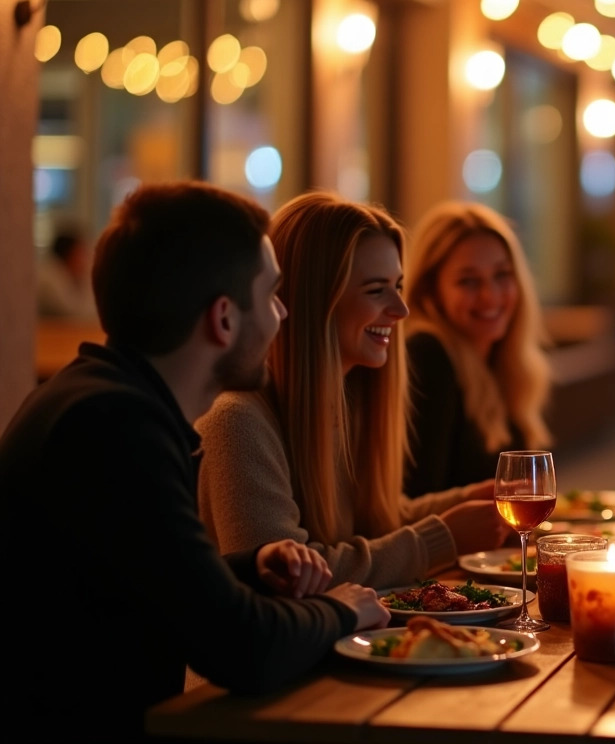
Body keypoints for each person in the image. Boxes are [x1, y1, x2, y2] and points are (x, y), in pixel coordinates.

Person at [0, 182, 389, 743]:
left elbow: (145, 587)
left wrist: (252, 568)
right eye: (273, 295)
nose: (283, 315)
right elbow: (243, 648)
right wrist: (344, 610)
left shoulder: (104, 398)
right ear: (224, 319)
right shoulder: (115, 428)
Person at [198, 193, 508, 590]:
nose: (401, 309)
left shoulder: (343, 400)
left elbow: (374, 519)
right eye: (377, 290)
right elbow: (291, 579)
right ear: (315, 300)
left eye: (398, 286)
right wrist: (440, 539)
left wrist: (467, 502)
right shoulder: (237, 421)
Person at [401, 200, 551, 496]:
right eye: (468, 281)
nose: (490, 296)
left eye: (501, 275)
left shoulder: (502, 362)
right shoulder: (427, 355)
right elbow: (417, 501)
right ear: (431, 290)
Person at [36, 223, 98, 320]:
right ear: (69, 254)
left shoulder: (66, 275)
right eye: (81, 253)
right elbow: (74, 315)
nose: (85, 259)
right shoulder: (49, 277)